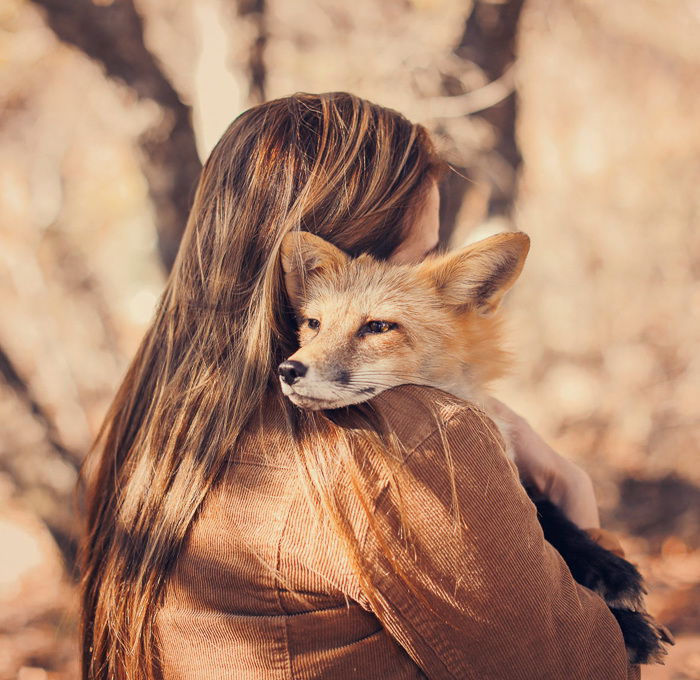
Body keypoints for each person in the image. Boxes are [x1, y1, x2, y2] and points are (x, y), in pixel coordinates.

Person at [80, 92, 639, 680]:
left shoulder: (171, 424)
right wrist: (574, 501)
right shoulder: (413, 437)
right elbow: (586, 668)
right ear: (341, 257)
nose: (429, 270)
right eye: (422, 253)